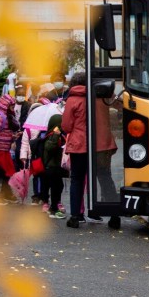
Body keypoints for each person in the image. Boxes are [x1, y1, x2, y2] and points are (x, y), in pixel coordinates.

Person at [62, 71, 101, 228]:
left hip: (78, 145)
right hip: (96, 143)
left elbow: (66, 126)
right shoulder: (95, 97)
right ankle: (99, 210)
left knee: (77, 179)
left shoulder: (72, 100)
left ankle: (76, 216)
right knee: (97, 177)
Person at [41, 114, 67, 219]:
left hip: (55, 167)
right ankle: (54, 210)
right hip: (51, 167)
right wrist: (56, 135)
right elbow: (49, 147)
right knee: (55, 188)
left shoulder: (60, 134)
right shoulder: (52, 135)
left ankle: (54, 206)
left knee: (58, 186)